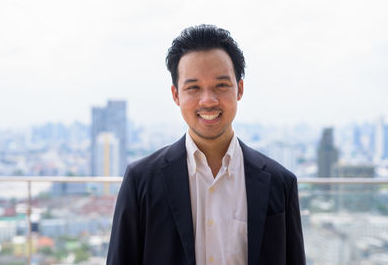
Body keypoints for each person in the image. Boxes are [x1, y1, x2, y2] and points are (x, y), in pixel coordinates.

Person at [107, 24, 306, 265]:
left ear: (239, 89)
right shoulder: (141, 181)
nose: (208, 100)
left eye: (221, 85)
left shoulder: (280, 182)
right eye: (193, 88)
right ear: (176, 95)